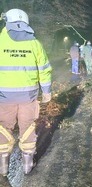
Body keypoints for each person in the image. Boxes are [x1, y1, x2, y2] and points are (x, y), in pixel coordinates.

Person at [0, 8, 52, 175]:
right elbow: (44, 70)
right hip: (28, 97)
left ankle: (3, 167)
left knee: (3, 128)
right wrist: (46, 92)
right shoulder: (35, 44)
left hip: (3, 97)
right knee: (28, 128)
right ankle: (27, 167)